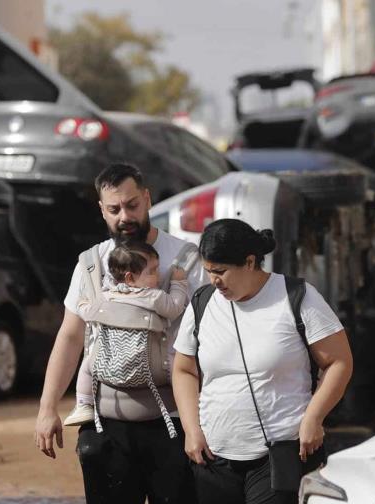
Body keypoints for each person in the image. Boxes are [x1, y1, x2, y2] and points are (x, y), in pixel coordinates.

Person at [34, 163, 208, 504]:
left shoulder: (186, 261)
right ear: (102, 210)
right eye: (114, 209)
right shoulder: (90, 264)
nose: (124, 216)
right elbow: (71, 337)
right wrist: (47, 408)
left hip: (172, 421)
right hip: (106, 427)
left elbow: (211, 338)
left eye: (132, 205)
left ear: (147, 199)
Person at [172, 219, 353, 504]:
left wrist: (314, 418)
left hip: (279, 455)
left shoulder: (297, 297)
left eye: (221, 272)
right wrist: (191, 430)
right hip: (214, 457)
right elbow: (183, 370)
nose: (214, 281)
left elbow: (339, 361)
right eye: (208, 272)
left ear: (250, 262)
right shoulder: (202, 302)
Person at [64, 240, 189, 434]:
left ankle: (83, 403)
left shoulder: (106, 296)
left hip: (108, 365)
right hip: (152, 365)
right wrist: (179, 283)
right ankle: (187, 405)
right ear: (130, 278)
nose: (159, 275)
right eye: (153, 271)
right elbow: (174, 307)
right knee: (179, 368)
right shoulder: (153, 297)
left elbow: (87, 313)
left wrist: (81, 303)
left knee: (87, 365)